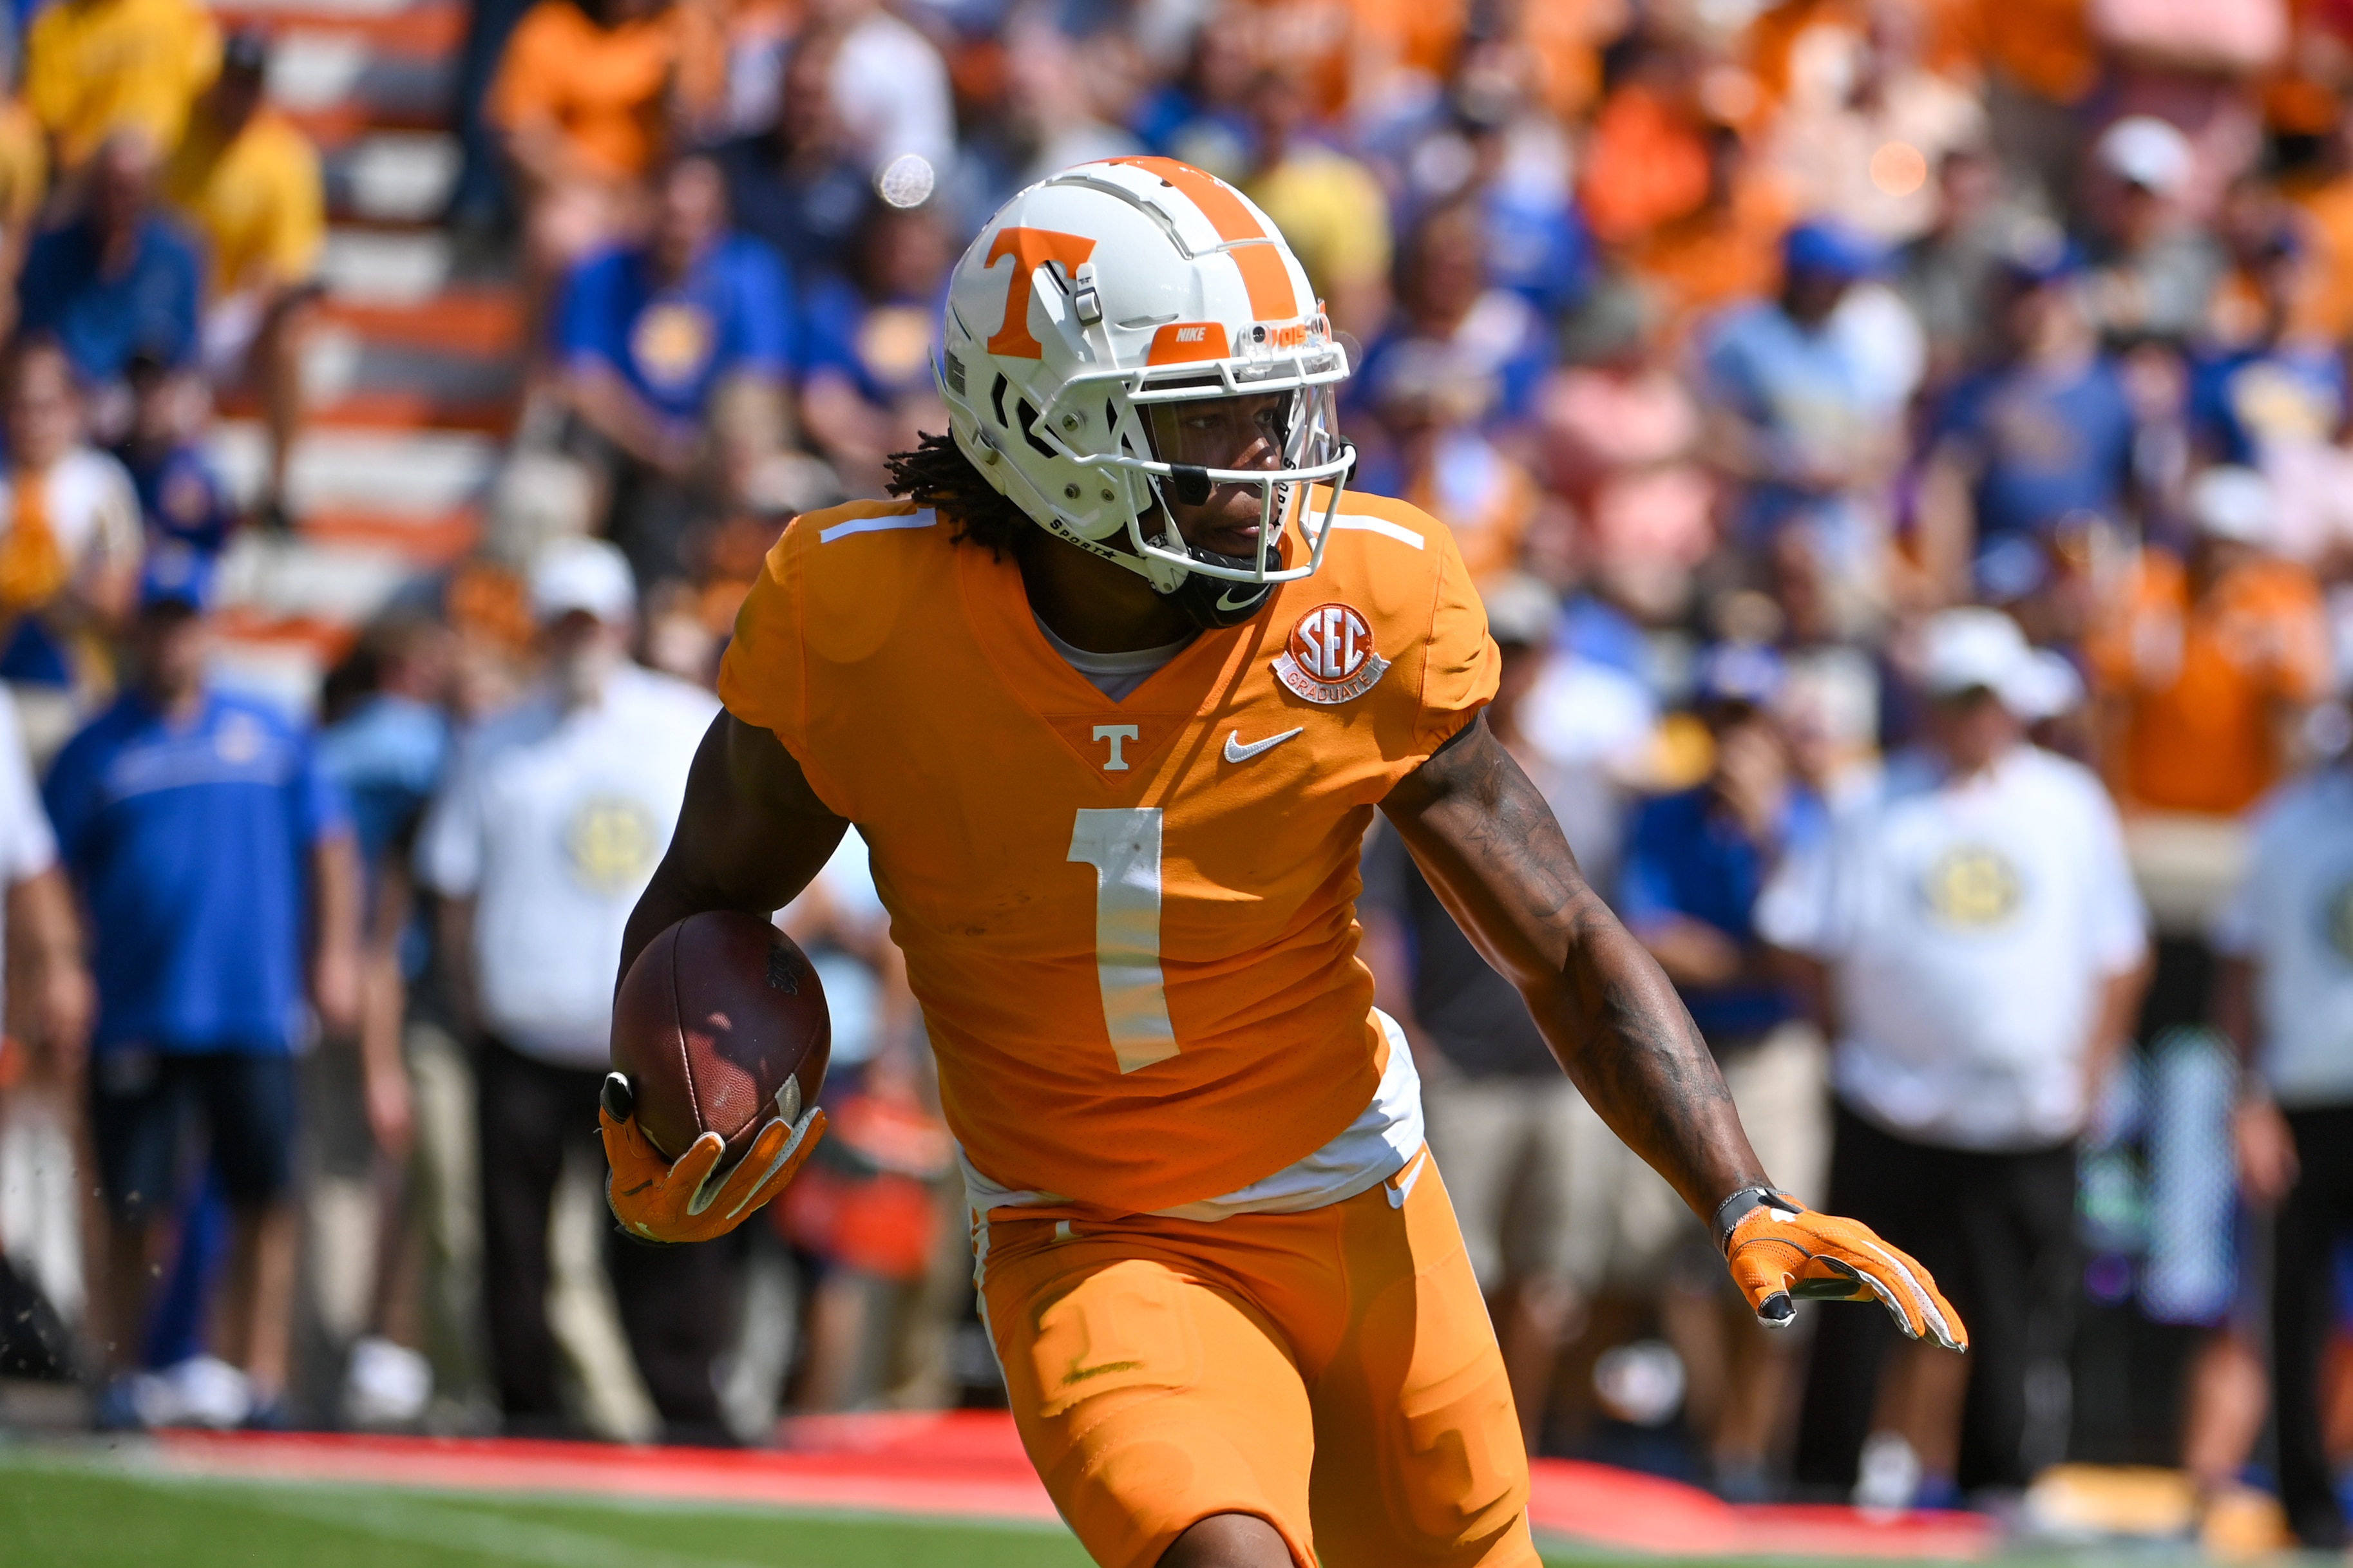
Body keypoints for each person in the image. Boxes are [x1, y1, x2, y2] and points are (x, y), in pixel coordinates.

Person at [597, 157, 1963, 1568]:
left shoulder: (1362, 598)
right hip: (1092, 1230)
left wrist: (1738, 1188)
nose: (1272, 459)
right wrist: (658, 1089)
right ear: (1045, 429)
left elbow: (1555, 932)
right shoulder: (856, 611)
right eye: (1215, 419)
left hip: (1356, 1201)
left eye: (1276, 403)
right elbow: (707, 888)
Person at [1764, 607, 2148, 1506]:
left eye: (1985, 699)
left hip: (2026, 1110)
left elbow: (2119, 952)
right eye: (1954, 698)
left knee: (2013, 1309)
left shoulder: (2068, 804)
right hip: (1890, 1100)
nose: (1972, 717)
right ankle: (1822, 1479)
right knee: (1853, 1301)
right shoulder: (1870, 802)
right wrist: (1848, 1043)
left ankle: (1997, 1485)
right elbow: (1802, 933)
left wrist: (2091, 1069)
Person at [413, 536, 729, 1442]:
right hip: (524, 1033)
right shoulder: (494, 739)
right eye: (562, 623)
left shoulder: (683, 723)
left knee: (668, 1237)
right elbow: (455, 885)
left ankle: (684, 1409)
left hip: (647, 1042)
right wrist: (475, 1003)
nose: (577, 638)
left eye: (590, 621)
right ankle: (531, 1412)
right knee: (510, 1244)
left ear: (622, 622)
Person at [46, 545, 363, 1428]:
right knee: (131, 1199)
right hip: (138, 1008)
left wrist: (332, 953)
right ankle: (121, 1371)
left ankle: (256, 1374)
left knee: (263, 1191)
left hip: (252, 1003)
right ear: (136, 629)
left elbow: (329, 846)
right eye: (157, 618)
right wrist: (63, 971)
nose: (172, 637)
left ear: (209, 625)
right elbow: (48, 875)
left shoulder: (271, 731)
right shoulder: (95, 746)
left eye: (185, 618)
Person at [1616, 643, 1831, 1496]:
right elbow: (1652, 935)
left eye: (1749, 719)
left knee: (1781, 1253)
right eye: (1722, 720)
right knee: (1667, 1253)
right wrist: (1756, 961)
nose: (1736, 739)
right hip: (1686, 1043)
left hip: (1773, 1052)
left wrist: (1771, 833)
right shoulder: (1664, 815)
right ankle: (1717, 1436)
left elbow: (1811, 946)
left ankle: (1751, 1449)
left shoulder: (1808, 819)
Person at [2211, 737, 2353, 1547]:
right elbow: (2239, 973)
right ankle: (2306, 1507)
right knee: (2292, 1314)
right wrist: (2248, 1099)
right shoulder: (2285, 823)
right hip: (2302, 1101)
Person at [555, 154, 794, 585]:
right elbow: (582, 381)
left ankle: (735, 577)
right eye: (670, 215)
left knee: (753, 423)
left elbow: (762, 380)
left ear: (719, 219)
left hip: (713, 444)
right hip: (619, 444)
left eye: (696, 218)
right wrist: (655, 443)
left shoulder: (751, 274)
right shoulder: (601, 274)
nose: (681, 230)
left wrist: (704, 451)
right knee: (552, 488)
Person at [160, 29, 326, 532]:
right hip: (170, 308)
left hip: (236, 314)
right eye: (232, 80)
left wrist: (265, 298)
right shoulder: (175, 139)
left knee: (292, 331)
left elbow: (291, 269)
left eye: (249, 83)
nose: (238, 93)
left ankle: (278, 485)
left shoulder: (285, 157)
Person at [0, 336, 144, 762]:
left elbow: (122, 600)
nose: (33, 422)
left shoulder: (102, 484)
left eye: (45, 407)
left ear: (72, 408)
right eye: (21, 407)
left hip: (75, 691)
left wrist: (54, 581)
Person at [17, 134, 205, 413]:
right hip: (68, 401)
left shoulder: (176, 257)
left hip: (146, 407)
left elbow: (185, 348)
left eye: (128, 189)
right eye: (107, 187)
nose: (115, 201)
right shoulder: (49, 252)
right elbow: (38, 339)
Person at [21, 0, 219, 173]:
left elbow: (207, 86)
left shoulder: (175, 11)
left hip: (166, 173)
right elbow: (52, 120)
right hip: (91, 180)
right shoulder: (57, 25)